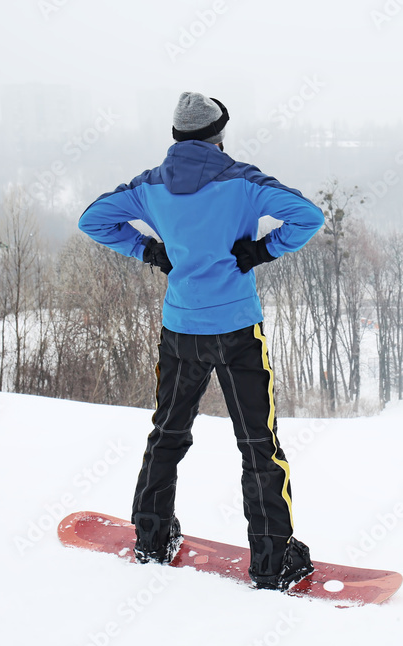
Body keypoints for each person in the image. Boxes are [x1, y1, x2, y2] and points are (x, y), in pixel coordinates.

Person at [77, 91, 324, 590]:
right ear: (219, 135)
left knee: (167, 433)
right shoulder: (243, 182)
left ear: (175, 136)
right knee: (258, 443)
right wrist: (260, 251)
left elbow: (93, 220)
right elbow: (307, 216)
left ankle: (150, 536)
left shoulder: (151, 186)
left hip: (181, 330)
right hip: (237, 329)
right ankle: (273, 561)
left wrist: (150, 251)